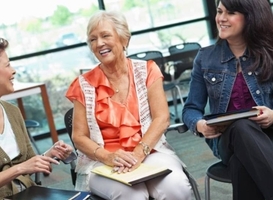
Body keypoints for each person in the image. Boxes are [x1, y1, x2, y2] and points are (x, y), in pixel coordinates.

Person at [66, 10, 191, 200]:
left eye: (105, 35)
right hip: (102, 161)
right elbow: (79, 137)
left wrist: (139, 153)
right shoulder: (83, 84)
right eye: (93, 39)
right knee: (133, 196)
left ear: (124, 38)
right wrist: (108, 157)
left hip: (149, 150)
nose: (99, 43)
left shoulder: (147, 70)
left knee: (176, 187)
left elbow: (162, 118)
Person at [182, 0, 273, 199]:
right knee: (241, 127)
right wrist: (199, 125)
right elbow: (190, 108)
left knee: (241, 165)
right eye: (219, 11)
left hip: (269, 137)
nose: (221, 18)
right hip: (227, 142)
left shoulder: (270, 53)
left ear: (251, 17)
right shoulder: (205, 58)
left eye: (230, 13)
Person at [0, 37, 74, 198]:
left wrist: (51, 153)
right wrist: (20, 169)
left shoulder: (12, 111)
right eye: (7, 65)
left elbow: (30, 162)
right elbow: (23, 167)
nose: (13, 71)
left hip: (29, 193)